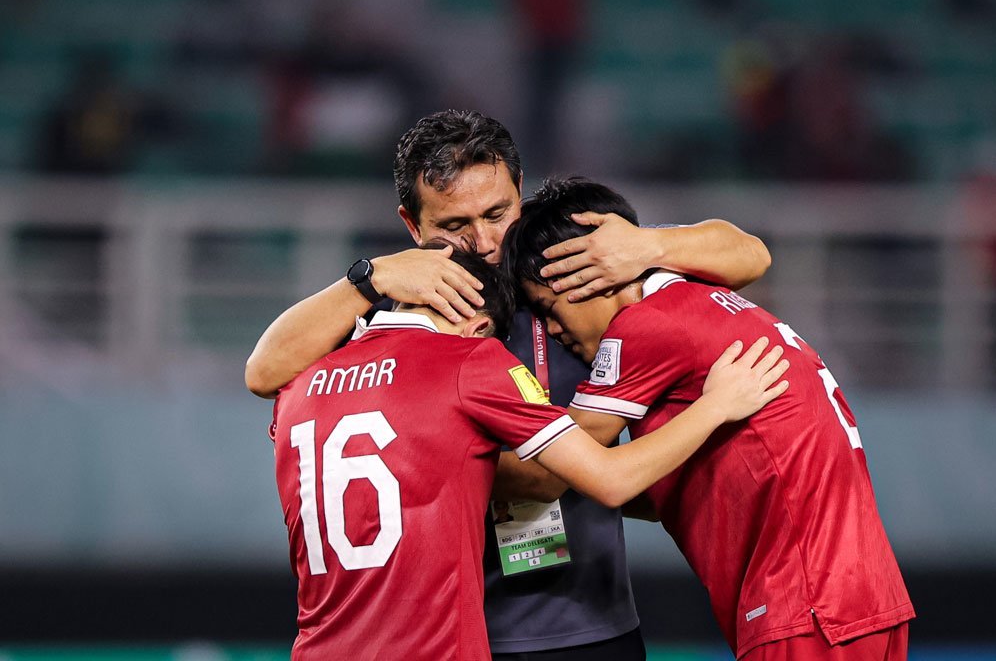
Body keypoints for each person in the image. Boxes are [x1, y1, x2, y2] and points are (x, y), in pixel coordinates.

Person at [246, 109, 773, 658]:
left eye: (497, 213)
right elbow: (263, 371)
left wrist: (650, 247)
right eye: (454, 226)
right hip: (458, 637)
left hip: (596, 624)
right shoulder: (398, 307)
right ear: (412, 225)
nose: (485, 242)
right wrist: (368, 277)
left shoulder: (575, 263)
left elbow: (751, 254)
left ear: (521, 190)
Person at [270, 247, 789, 659]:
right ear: (478, 326)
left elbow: (264, 373)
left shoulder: (301, 383)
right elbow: (609, 480)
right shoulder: (471, 359)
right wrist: (717, 406)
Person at [504, 177, 916, 661]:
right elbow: (656, 494)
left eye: (550, 308)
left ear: (586, 274)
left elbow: (568, 469)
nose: (552, 330)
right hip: (861, 598)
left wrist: (466, 468)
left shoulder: (645, 326)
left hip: (803, 606)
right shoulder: (709, 300)